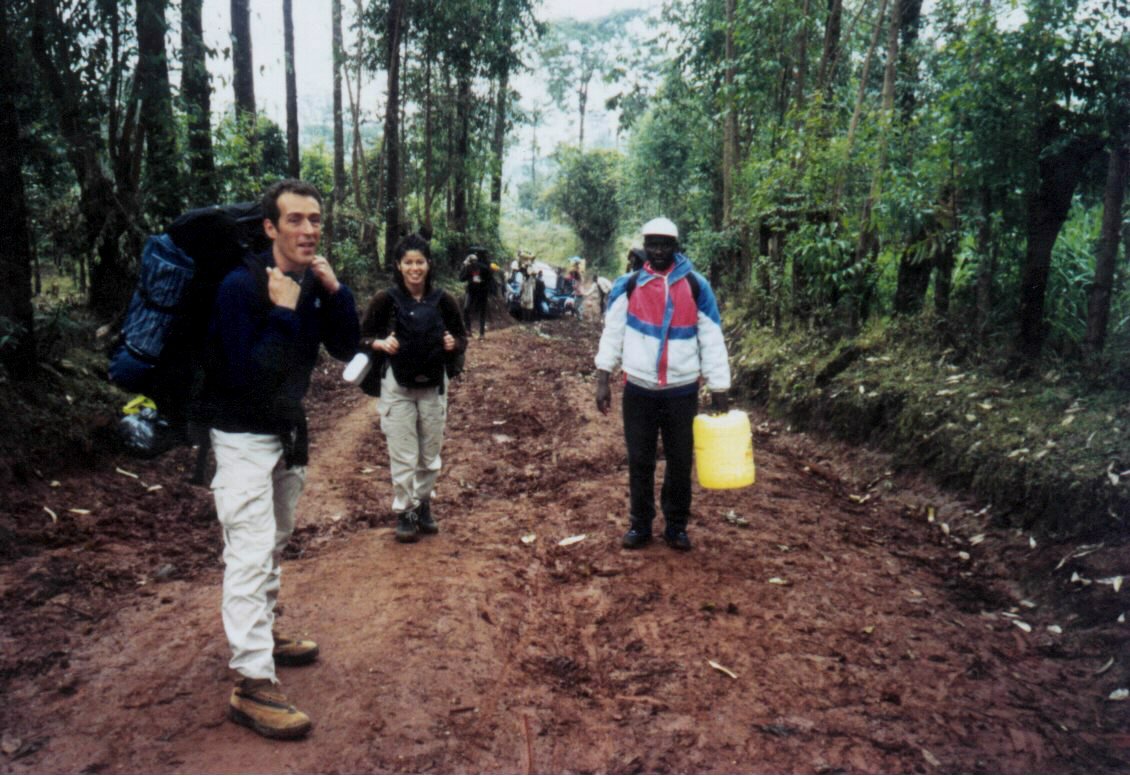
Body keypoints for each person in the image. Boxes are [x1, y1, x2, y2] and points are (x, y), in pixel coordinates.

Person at [206, 179, 360, 739]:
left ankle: (263, 632)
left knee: (274, 539)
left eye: (315, 219)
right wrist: (281, 312)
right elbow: (249, 377)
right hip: (243, 436)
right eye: (295, 220)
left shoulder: (310, 283)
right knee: (247, 551)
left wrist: (334, 290)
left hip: (287, 432)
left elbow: (346, 347)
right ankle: (251, 682)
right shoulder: (239, 288)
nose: (308, 230)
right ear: (270, 227)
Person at [594, 217, 731, 552]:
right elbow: (612, 333)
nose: (657, 251)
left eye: (664, 244)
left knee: (680, 461)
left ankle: (676, 527)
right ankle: (640, 525)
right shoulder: (628, 286)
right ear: (645, 246)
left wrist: (719, 388)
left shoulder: (697, 287)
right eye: (652, 244)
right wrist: (602, 377)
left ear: (675, 247)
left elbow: (712, 338)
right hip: (638, 390)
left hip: (681, 391)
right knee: (639, 459)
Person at [360, 234, 468, 543]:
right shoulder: (386, 299)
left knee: (429, 453)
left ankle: (423, 505)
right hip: (397, 385)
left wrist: (453, 343)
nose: (414, 268)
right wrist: (379, 343)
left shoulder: (444, 299)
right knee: (403, 452)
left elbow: (462, 337)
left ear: (429, 264)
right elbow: (363, 336)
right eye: (408, 262)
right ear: (398, 265)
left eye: (420, 262)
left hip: (434, 385)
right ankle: (404, 512)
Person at [459, 250, 493, 338]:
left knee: (481, 311)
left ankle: (481, 333)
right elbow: (461, 278)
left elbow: (489, 279)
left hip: (481, 291)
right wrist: (464, 267)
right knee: (467, 309)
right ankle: (469, 330)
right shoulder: (469, 268)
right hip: (472, 291)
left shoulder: (483, 268)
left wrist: (484, 283)